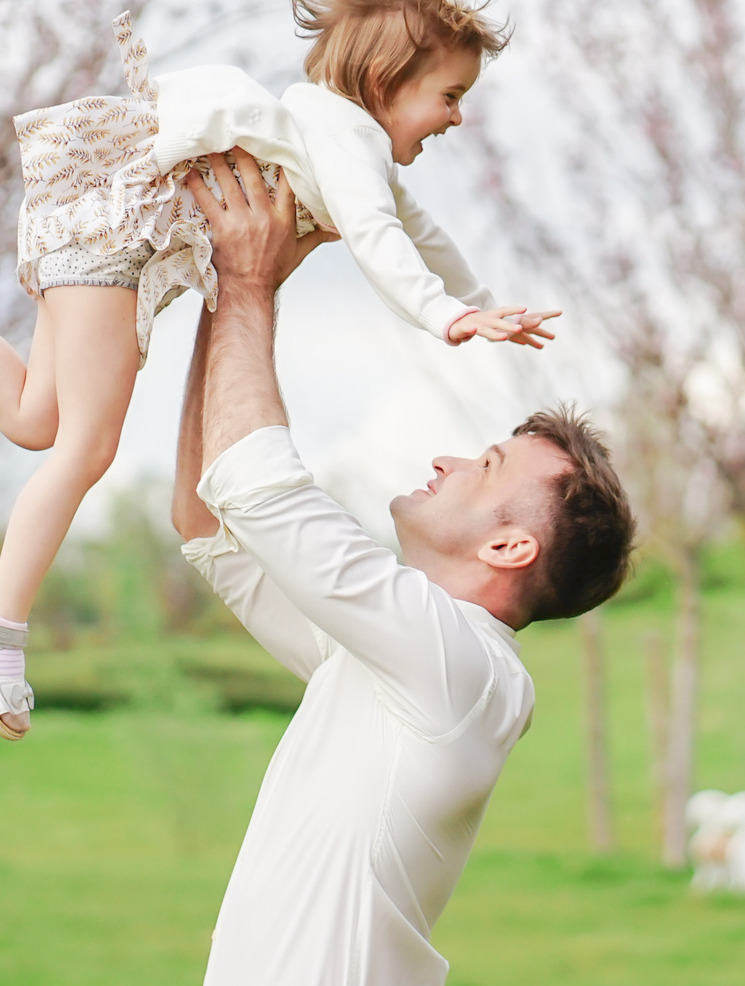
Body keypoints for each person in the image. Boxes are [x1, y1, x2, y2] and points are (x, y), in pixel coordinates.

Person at [0, 0, 559, 738]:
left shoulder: (339, 133)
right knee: (87, 449)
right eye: (449, 95)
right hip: (118, 235)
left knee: (36, 421)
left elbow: (426, 233)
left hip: (95, 214)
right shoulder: (351, 141)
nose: (457, 116)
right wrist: (447, 317)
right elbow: (382, 239)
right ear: (387, 84)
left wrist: (481, 304)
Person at [169, 147, 635, 986]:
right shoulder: (391, 659)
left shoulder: (465, 672)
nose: (451, 462)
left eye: (486, 466)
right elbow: (209, 515)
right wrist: (223, 287)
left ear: (508, 547)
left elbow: (256, 486)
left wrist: (248, 285)